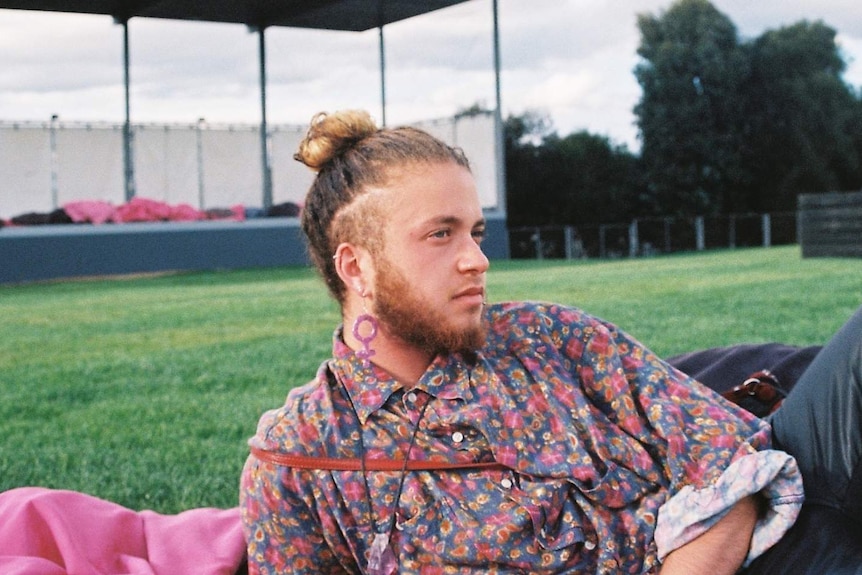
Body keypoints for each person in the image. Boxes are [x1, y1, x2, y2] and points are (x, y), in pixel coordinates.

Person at [239, 110, 860, 574]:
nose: (476, 260)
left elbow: (732, 463)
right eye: (441, 235)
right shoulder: (297, 463)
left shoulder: (545, 336)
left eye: (476, 232)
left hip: (760, 540)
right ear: (356, 269)